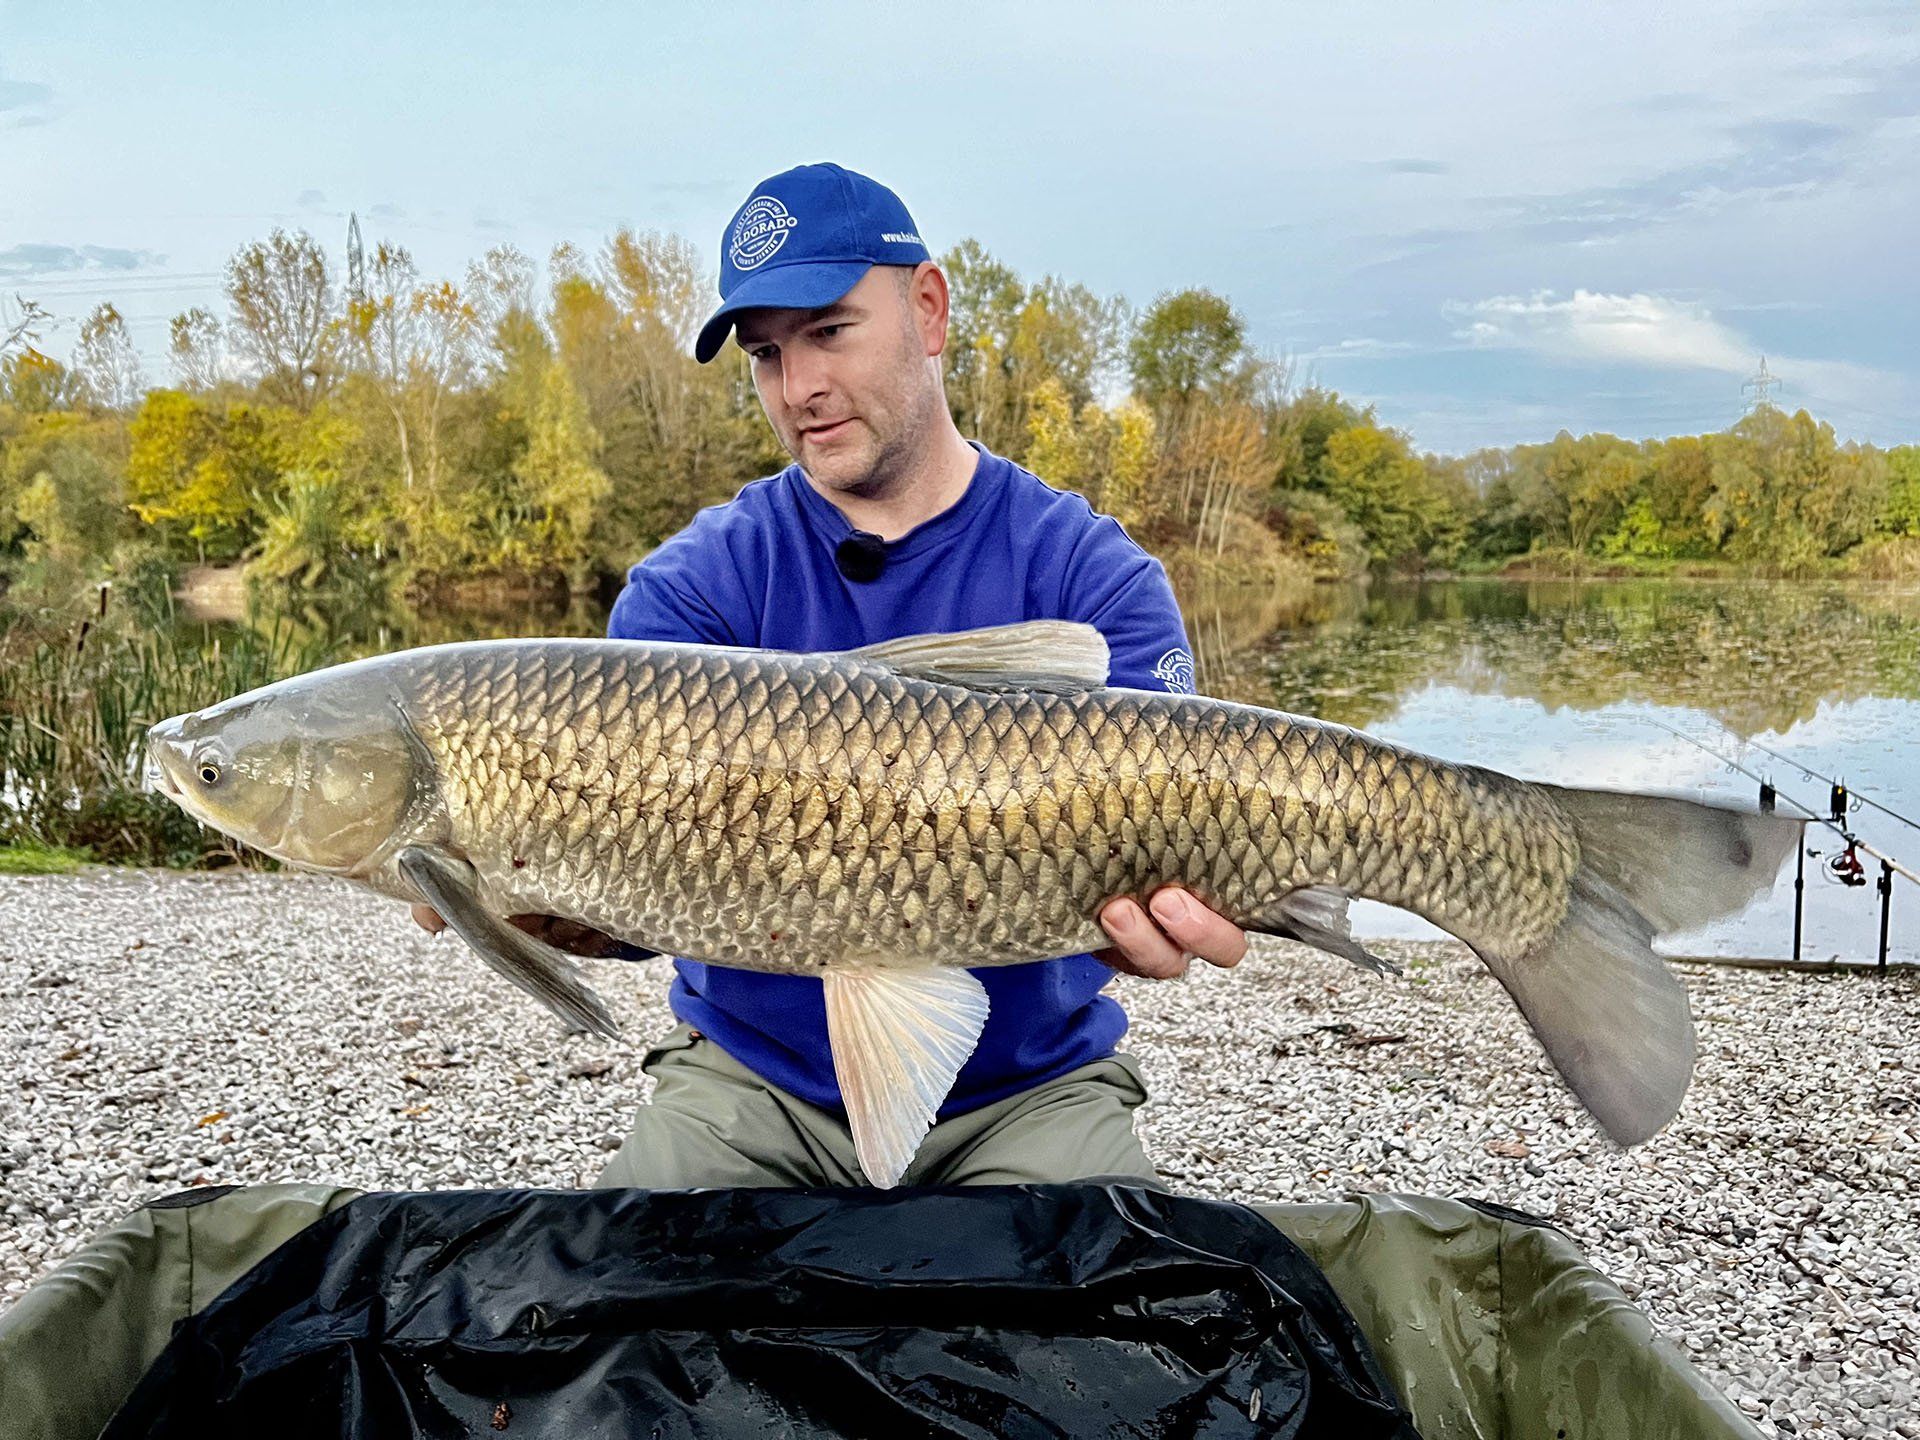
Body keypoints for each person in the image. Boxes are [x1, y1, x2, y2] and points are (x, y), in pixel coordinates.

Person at [416, 163, 1249, 1188]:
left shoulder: (1090, 573)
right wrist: (529, 899)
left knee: (1109, 1327)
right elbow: (638, 922)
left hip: (1028, 1092)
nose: (796, 386)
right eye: (766, 353)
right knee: (627, 1308)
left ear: (929, 311)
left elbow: (1184, 848)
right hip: (752, 1087)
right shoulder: (689, 596)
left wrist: (1165, 917)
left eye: (829, 331)